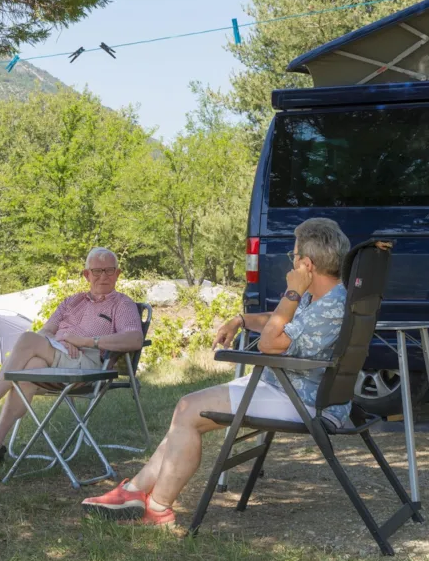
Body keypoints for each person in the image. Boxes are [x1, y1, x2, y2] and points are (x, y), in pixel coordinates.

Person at [81, 218, 351, 526]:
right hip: (288, 385)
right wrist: (240, 319)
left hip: (301, 399)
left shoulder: (326, 308)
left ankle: (156, 506)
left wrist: (291, 292)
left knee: (189, 410)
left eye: (293, 258)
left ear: (306, 264)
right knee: (186, 411)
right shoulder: (326, 298)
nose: (290, 265)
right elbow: (279, 322)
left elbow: (270, 343)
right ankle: (136, 491)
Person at [0, 247, 145, 467]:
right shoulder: (71, 302)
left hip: (89, 367)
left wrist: (86, 342)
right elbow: (46, 332)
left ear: (118, 273)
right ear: (86, 274)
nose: (103, 276)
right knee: (30, 367)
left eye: (109, 271)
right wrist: (63, 341)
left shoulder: (121, 303)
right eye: (97, 271)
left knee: (27, 339)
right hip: (61, 357)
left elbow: (134, 339)